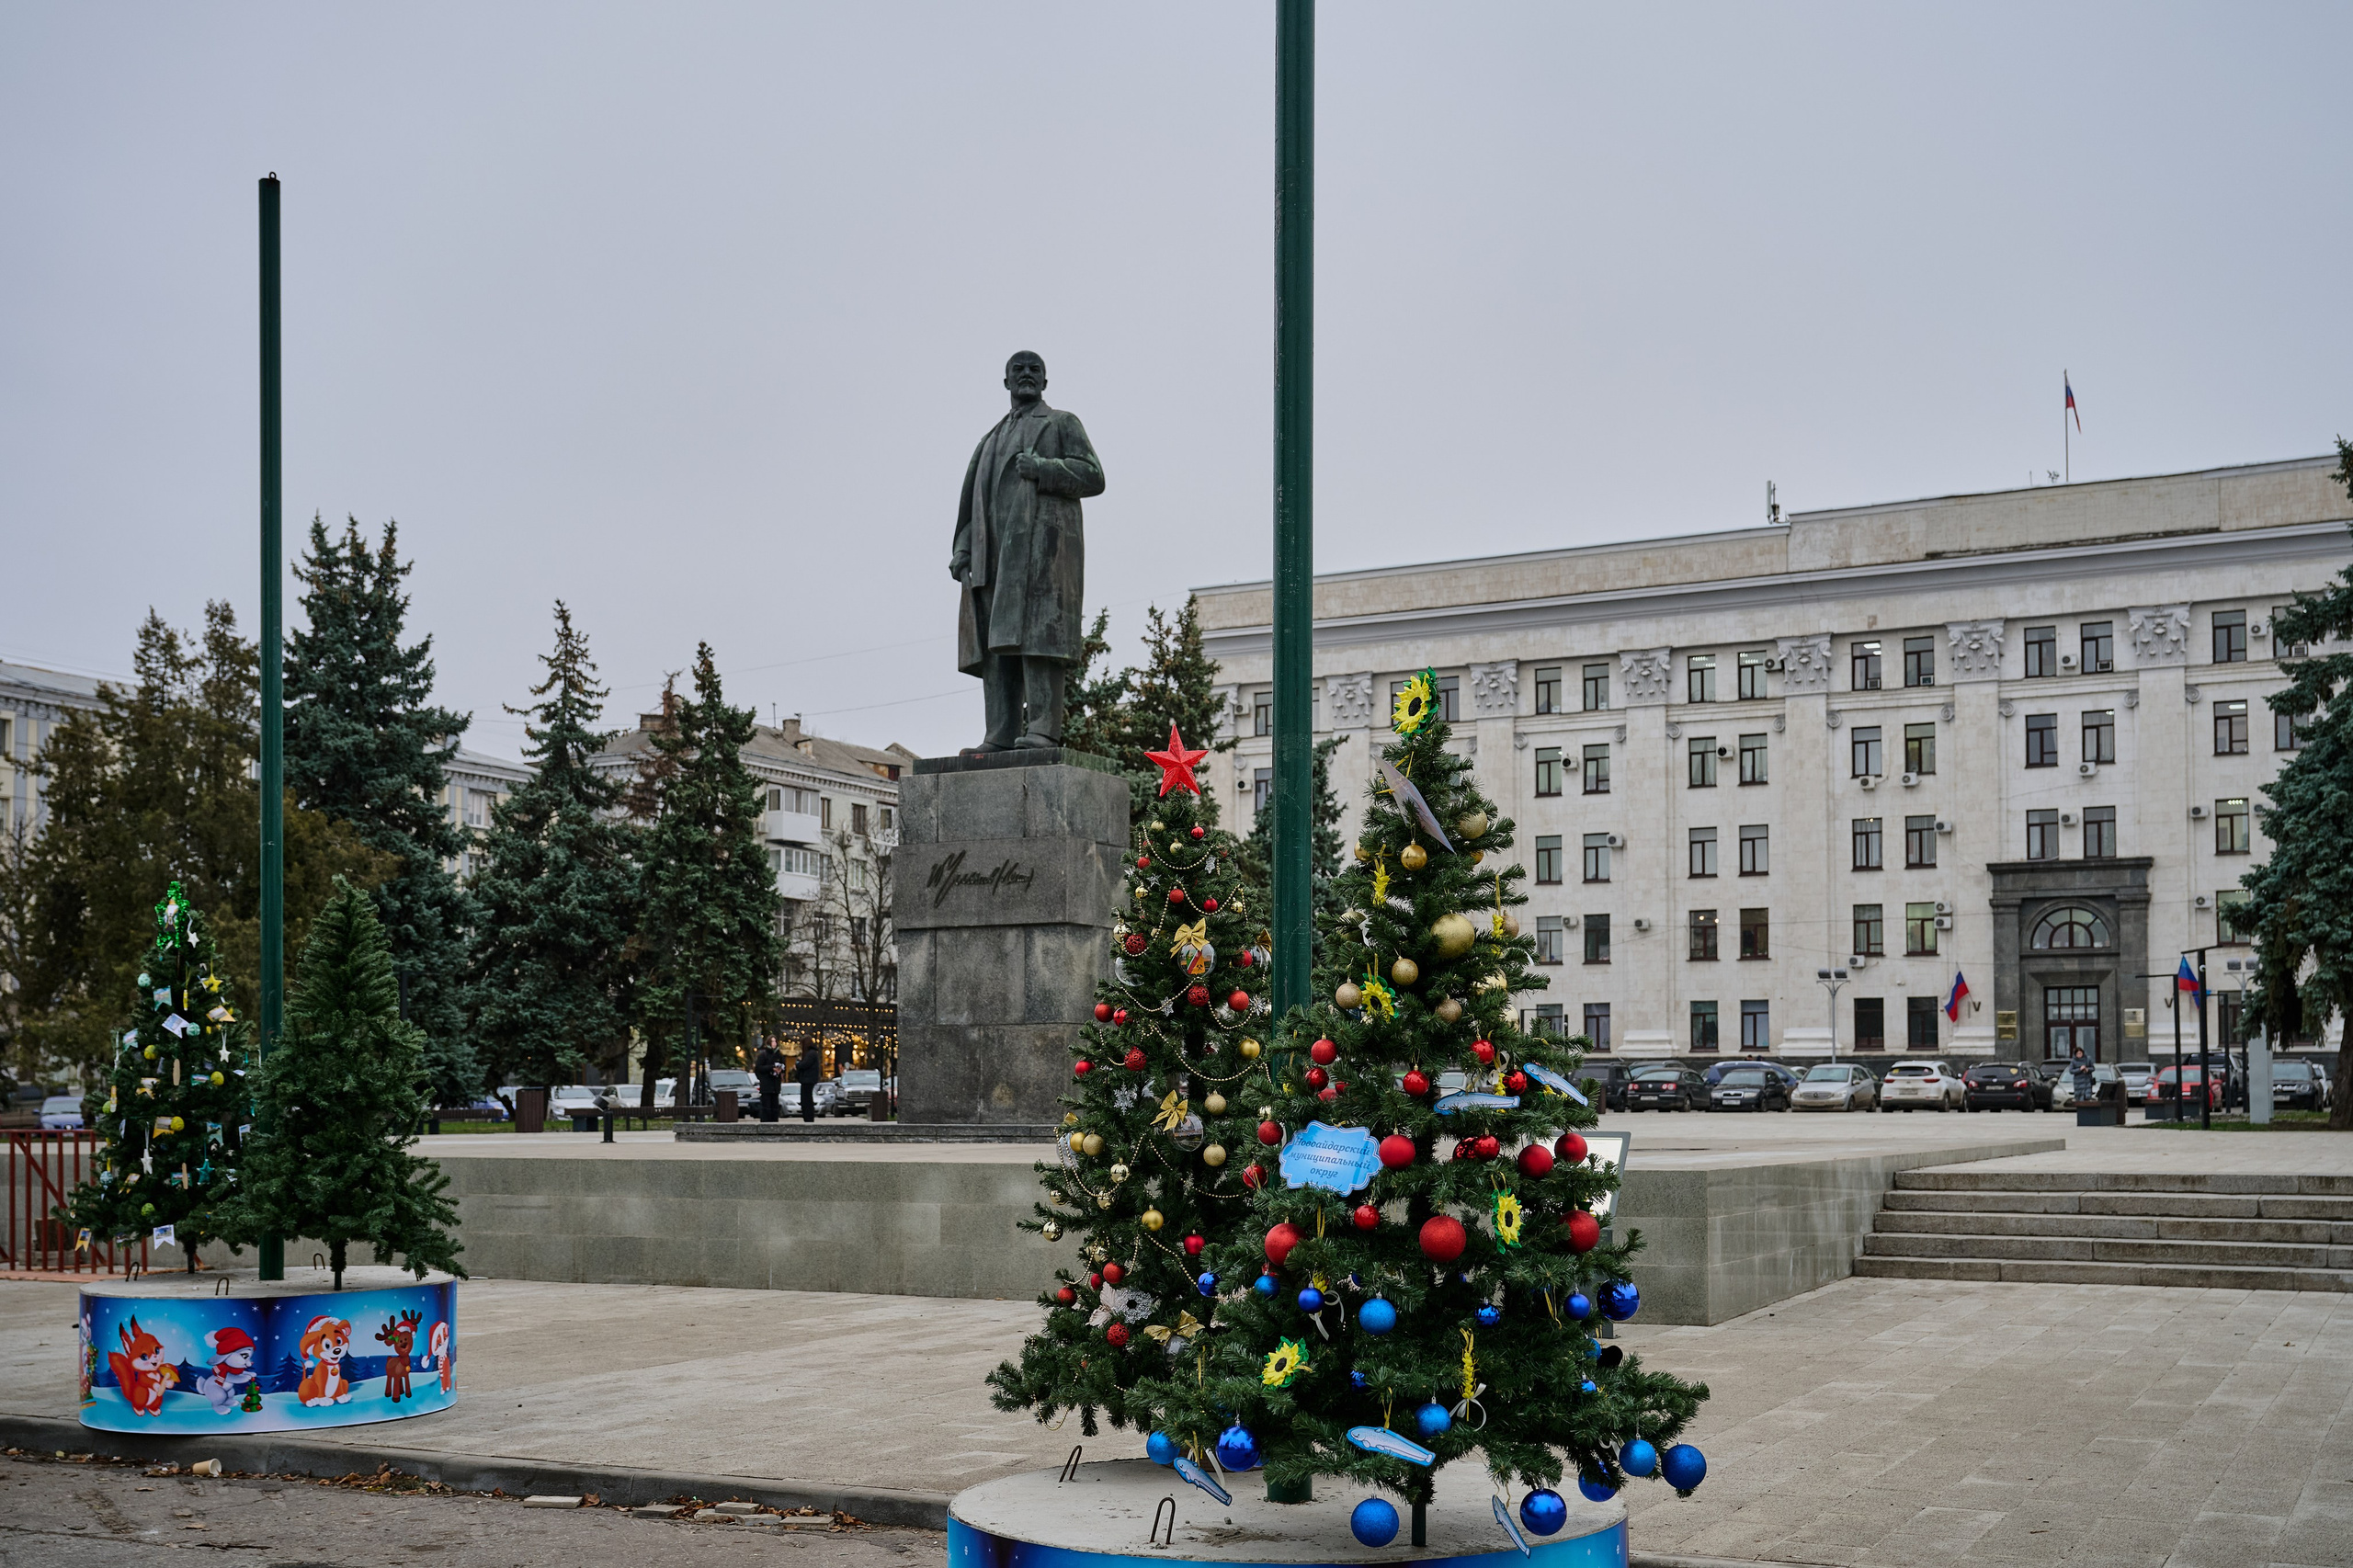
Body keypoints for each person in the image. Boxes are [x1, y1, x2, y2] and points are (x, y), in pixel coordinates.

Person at [949, 351, 1105, 752]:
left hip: (1042, 555)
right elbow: (972, 505)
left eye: (1034, 370)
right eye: (1017, 370)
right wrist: (963, 550)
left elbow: (1093, 475)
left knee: (1038, 642)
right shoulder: (989, 440)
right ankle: (998, 734)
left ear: (1045, 382)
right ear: (1005, 382)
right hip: (993, 558)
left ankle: (1042, 730)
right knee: (995, 649)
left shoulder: (1060, 423)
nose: (1026, 375)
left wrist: (1043, 469)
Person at [753, 1040, 785, 1123]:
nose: (774, 1043)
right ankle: (765, 1123)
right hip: (766, 1084)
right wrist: (771, 1068)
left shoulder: (780, 1055)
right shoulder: (763, 1055)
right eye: (772, 1041)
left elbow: (783, 1066)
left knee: (775, 1105)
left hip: (776, 1084)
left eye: (775, 1041)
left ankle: (774, 1122)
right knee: (766, 1106)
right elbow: (759, 1068)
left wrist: (781, 1070)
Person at [794, 1045, 823, 1123]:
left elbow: (805, 1064)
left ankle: (808, 1117)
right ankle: (808, 1117)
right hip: (808, 1079)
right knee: (807, 1099)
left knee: (806, 1100)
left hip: (807, 1080)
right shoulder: (813, 1053)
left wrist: (798, 1064)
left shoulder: (811, 1054)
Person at [2068, 1043, 2095, 1108]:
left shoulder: (2087, 1059)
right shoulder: (2073, 1061)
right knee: (2079, 1097)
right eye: (2078, 1054)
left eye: (2080, 1053)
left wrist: (2087, 1069)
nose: (2079, 1055)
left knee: (2087, 1096)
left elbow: (2093, 1068)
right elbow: (2071, 1071)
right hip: (2078, 1082)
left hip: (2087, 1081)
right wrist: (2080, 1069)